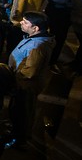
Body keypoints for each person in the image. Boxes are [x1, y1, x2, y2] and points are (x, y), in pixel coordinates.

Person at [7, 11, 55, 148]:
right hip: (22, 83)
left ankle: (19, 139)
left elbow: (30, 71)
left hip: (25, 85)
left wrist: (12, 77)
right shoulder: (36, 39)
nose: (22, 22)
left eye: (26, 22)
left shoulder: (37, 47)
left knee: (23, 113)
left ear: (36, 28)